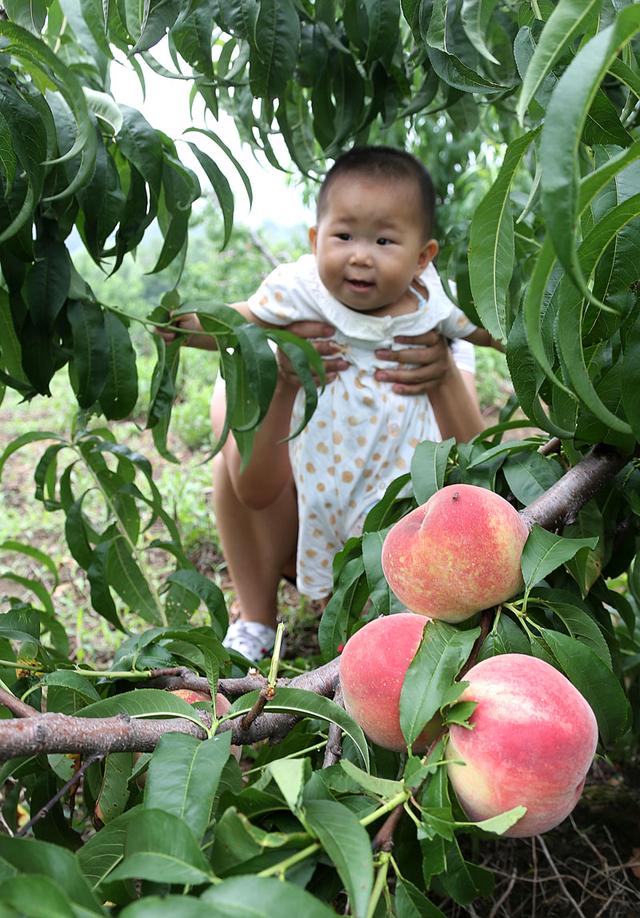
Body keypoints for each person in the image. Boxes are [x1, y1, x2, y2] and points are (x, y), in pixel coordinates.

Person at [162, 146, 493, 660]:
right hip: (301, 498)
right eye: (344, 237)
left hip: (395, 513)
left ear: (422, 257)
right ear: (315, 239)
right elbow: (236, 319)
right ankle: (255, 619)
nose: (360, 255)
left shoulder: (434, 310)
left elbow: (492, 361)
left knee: (379, 631)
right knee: (234, 404)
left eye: (384, 240)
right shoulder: (301, 298)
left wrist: (454, 368)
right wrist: (175, 326)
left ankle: (366, 602)